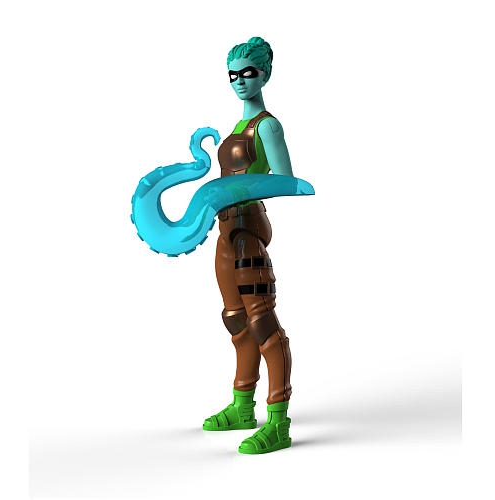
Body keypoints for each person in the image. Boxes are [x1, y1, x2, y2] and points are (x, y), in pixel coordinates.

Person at [202, 37, 294, 454]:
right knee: (235, 319)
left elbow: (286, 180)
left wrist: (239, 190)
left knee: (262, 323)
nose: (240, 80)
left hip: (247, 228)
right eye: (233, 75)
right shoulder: (238, 128)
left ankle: (278, 421)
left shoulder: (267, 126)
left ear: (265, 74)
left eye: (248, 73)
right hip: (225, 230)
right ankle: (242, 406)